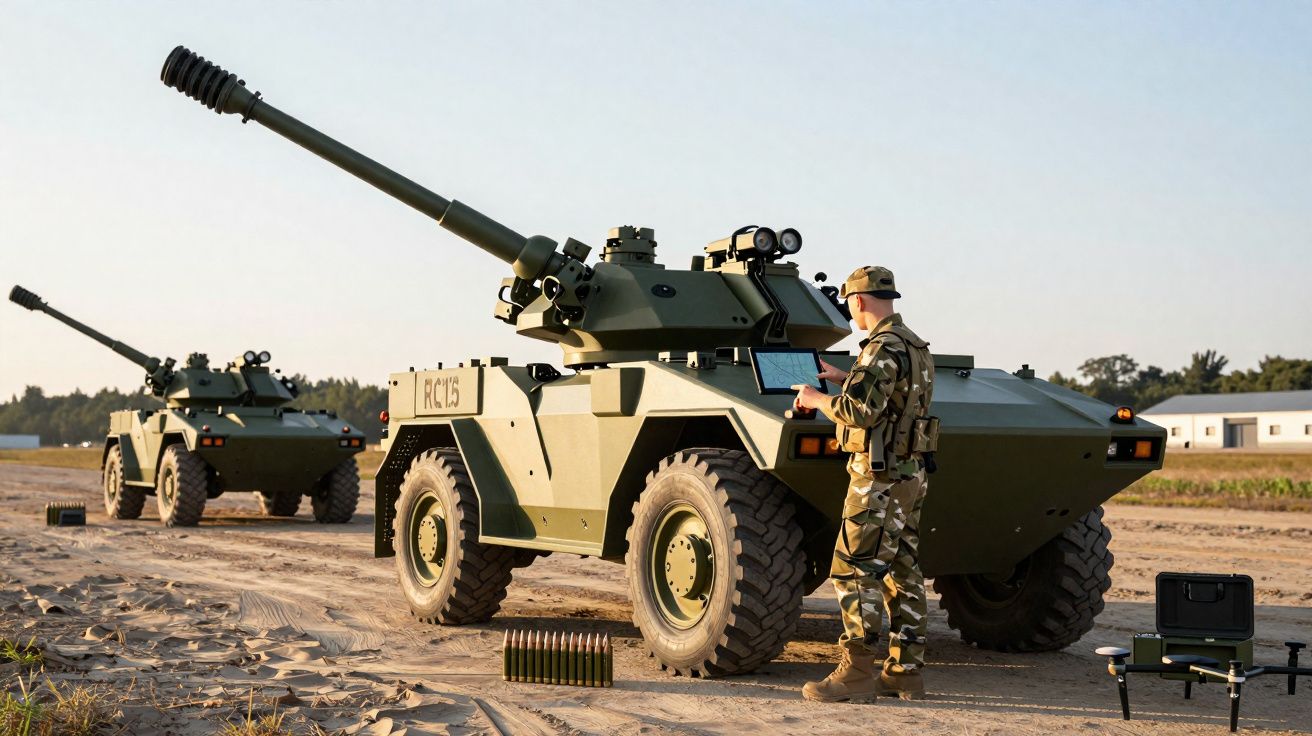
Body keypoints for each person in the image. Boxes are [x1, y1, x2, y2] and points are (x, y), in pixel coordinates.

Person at [792, 265, 937, 703]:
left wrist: (816, 399)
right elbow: (894, 399)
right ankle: (905, 672)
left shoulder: (880, 348)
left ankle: (855, 674)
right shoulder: (913, 345)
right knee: (903, 569)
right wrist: (843, 377)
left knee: (854, 570)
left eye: (850, 304)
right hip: (910, 476)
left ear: (858, 301)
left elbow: (859, 414)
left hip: (877, 479)